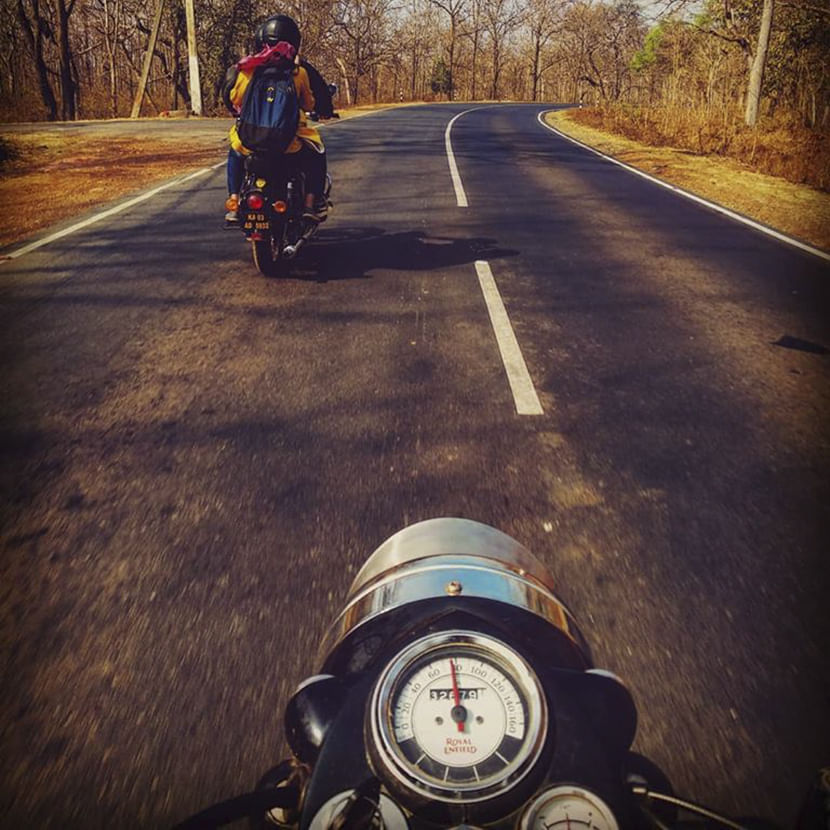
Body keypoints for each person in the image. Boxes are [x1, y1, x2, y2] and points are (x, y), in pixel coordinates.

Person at [222, 14, 329, 225]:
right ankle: (310, 204)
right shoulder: (298, 73)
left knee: (235, 151)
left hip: (250, 141)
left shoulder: (249, 70)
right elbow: (308, 105)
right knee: (318, 154)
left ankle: (233, 200)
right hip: (288, 143)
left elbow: (234, 97)